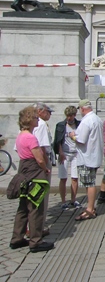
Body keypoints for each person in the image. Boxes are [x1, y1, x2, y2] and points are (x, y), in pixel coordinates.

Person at [10, 106, 55, 253]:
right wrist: (45, 168)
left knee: (23, 206)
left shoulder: (20, 135)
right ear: (30, 120)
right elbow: (39, 158)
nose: (37, 120)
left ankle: (17, 238)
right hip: (34, 173)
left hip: (23, 170)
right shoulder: (30, 137)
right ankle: (35, 241)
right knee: (36, 206)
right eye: (36, 118)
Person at [71, 99, 104, 221]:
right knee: (90, 182)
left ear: (82, 109)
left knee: (89, 183)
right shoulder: (97, 118)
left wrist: (73, 136)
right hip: (93, 155)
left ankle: (90, 208)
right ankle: (91, 207)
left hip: (87, 157)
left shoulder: (86, 121)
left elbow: (81, 139)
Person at [53, 105, 81, 210]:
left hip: (76, 153)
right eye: (68, 115)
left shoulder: (79, 124)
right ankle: (63, 201)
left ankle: (73, 199)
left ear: (74, 115)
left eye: (71, 115)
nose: (69, 118)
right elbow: (57, 140)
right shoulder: (61, 125)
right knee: (63, 177)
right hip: (64, 153)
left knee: (75, 178)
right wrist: (60, 153)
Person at [33, 102, 53, 232]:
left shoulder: (27, 124)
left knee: (33, 196)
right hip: (40, 163)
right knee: (41, 196)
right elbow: (42, 148)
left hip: (31, 163)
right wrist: (46, 165)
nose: (49, 114)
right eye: (47, 111)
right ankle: (38, 226)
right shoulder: (40, 124)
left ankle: (33, 226)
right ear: (40, 112)